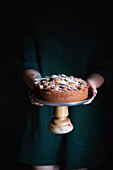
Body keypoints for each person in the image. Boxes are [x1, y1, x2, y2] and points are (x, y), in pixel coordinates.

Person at [18, 2, 112, 170]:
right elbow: (27, 63)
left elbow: (104, 65)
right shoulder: (32, 12)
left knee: (79, 161)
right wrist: (39, 86)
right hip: (40, 113)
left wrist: (90, 84)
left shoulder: (98, 13)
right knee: (43, 162)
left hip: (85, 115)